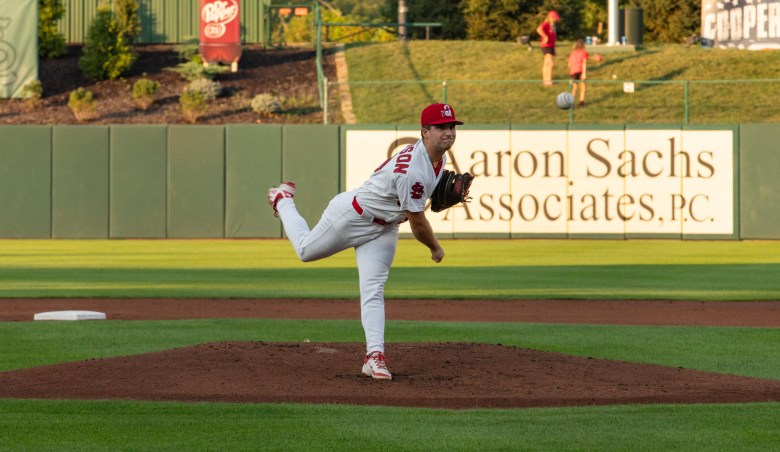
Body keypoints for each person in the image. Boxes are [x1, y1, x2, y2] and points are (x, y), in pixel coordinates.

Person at [266, 103, 464, 381]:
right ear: (424, 132)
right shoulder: (413, 172)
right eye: (441, 127)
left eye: (452, 126)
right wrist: (436, 248)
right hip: (351, 217)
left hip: (384, 229)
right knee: (304, 251)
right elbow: (418, 224)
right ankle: (283, 200)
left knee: (373, 289)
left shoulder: (439, 159)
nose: (449, 132)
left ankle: (375, 356)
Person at [536, 10, 560, 86]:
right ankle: (548, 80)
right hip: (546, 45)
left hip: (551, 46)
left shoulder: (553, 26)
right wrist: (545, 36)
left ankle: (546, 80)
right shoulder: (546, 24)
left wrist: (554, 49)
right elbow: (539, 29)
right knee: (550, 63)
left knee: (547, 63)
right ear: (550, 17)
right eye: (554, 18)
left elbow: (553, 38)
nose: (555, 20)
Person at [568, 39, 589, 107]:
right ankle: (581, 102)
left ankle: (571, 103)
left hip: (573, 71)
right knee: (583, 86)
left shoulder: (572, 53)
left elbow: (569, 64)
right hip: (580, 71)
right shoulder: (584, 53)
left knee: (574, 88)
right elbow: (584, 63)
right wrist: (584, 73)